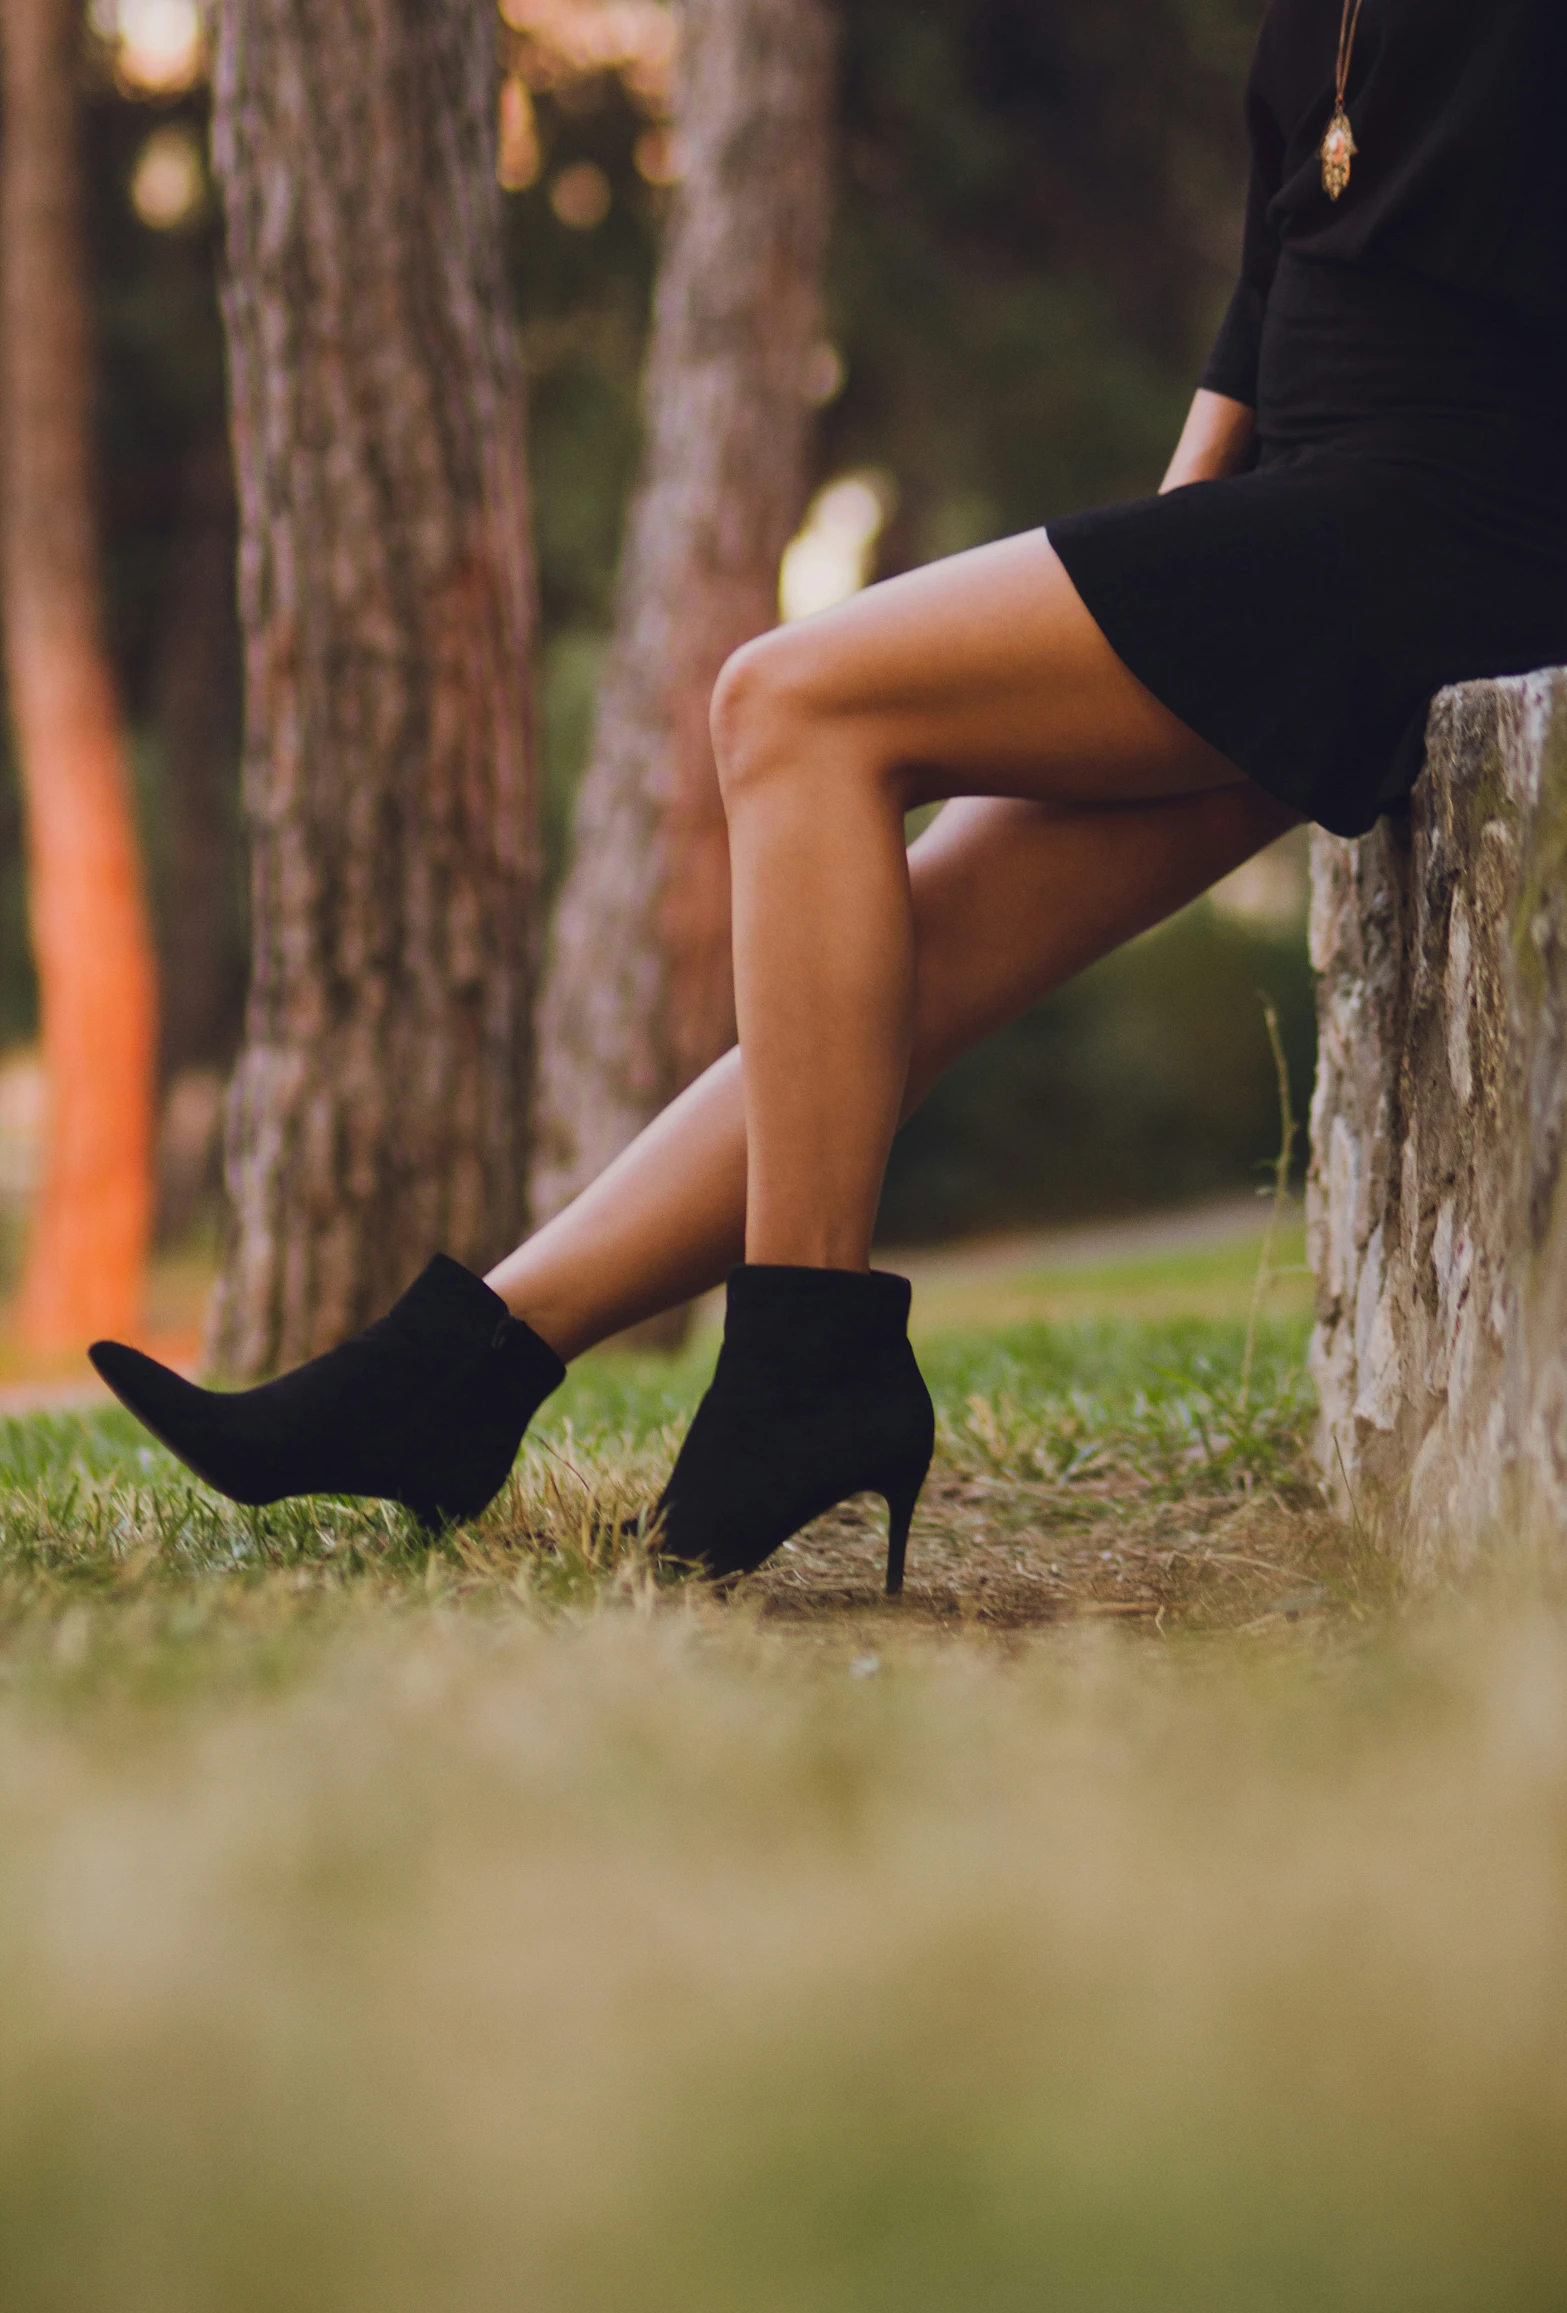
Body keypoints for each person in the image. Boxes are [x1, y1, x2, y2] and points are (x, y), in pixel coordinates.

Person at [92, 0, 1567, 1590]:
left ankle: (806, 1357)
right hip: (1298, 532)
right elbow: (1268, 297)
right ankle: (450, 1381)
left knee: (788, 701)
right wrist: (1155, 578)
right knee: (899, 963)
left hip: (1440, 538)